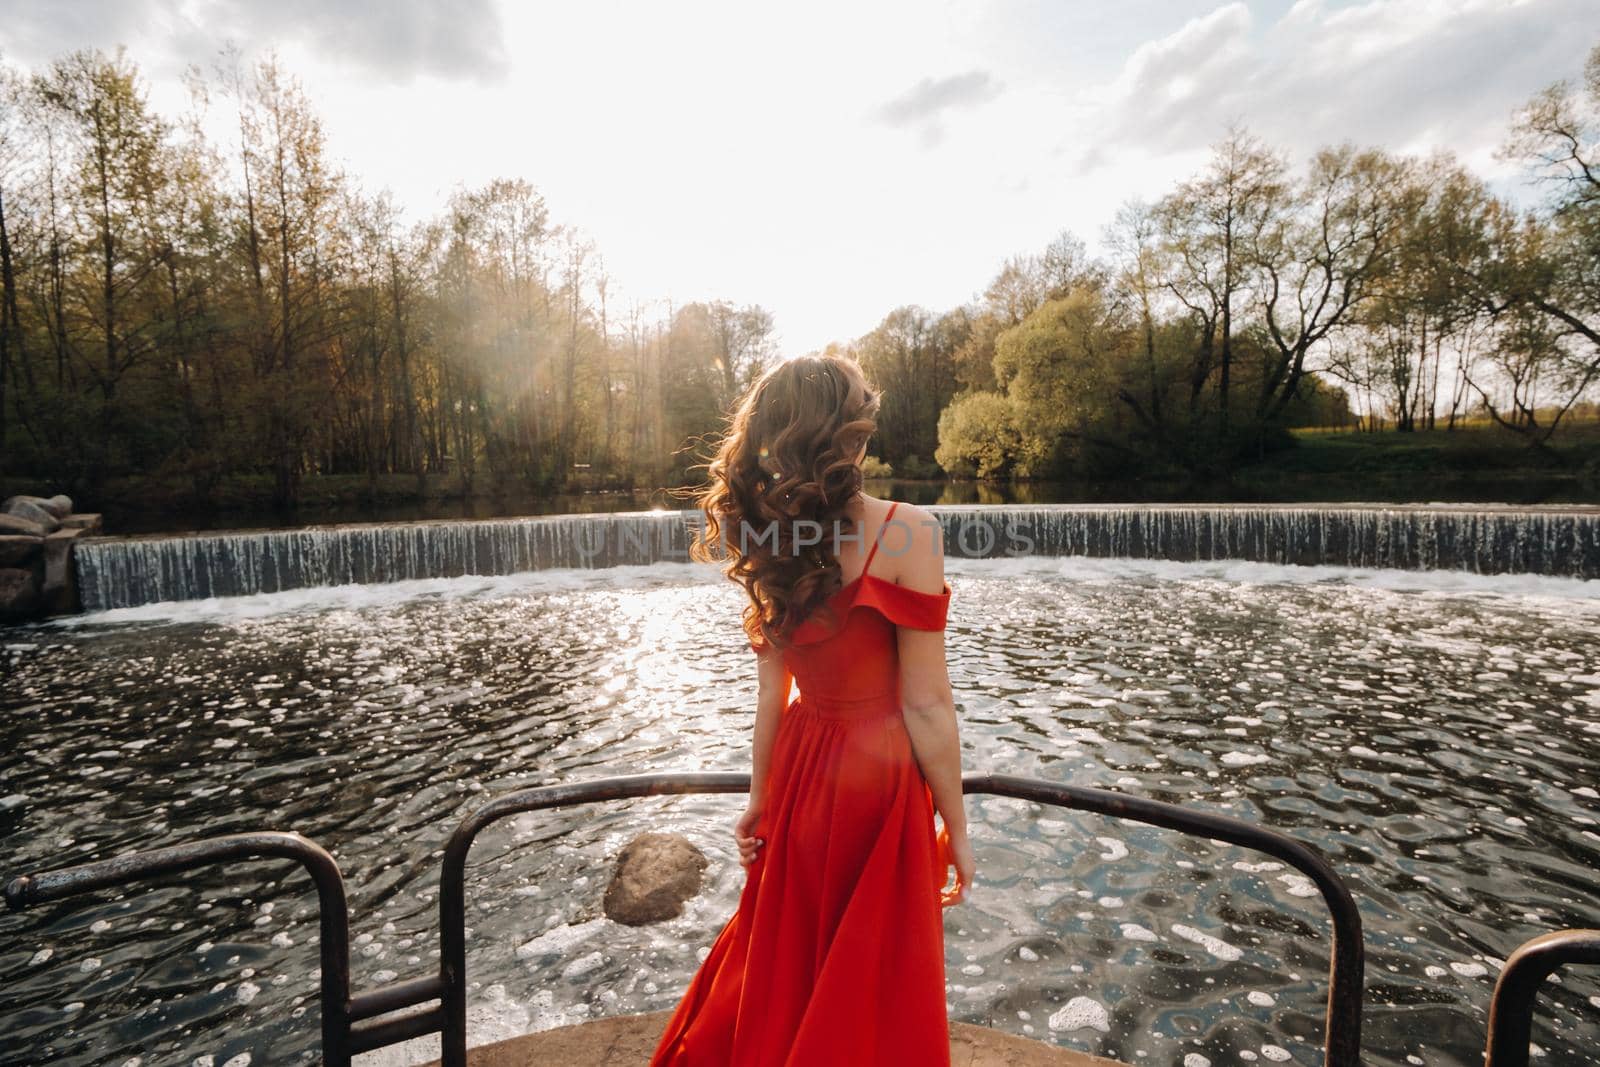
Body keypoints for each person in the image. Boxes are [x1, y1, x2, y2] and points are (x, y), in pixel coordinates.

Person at [651, 353, 975, 1066]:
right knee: (870, 980)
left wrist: (760, 798)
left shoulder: (767, 534)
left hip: (803, 772)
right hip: (878, 782)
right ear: (851, 437)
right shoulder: (910, 532)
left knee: (791, 957)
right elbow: (925, 702)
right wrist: (955, 820)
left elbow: (774, 692)